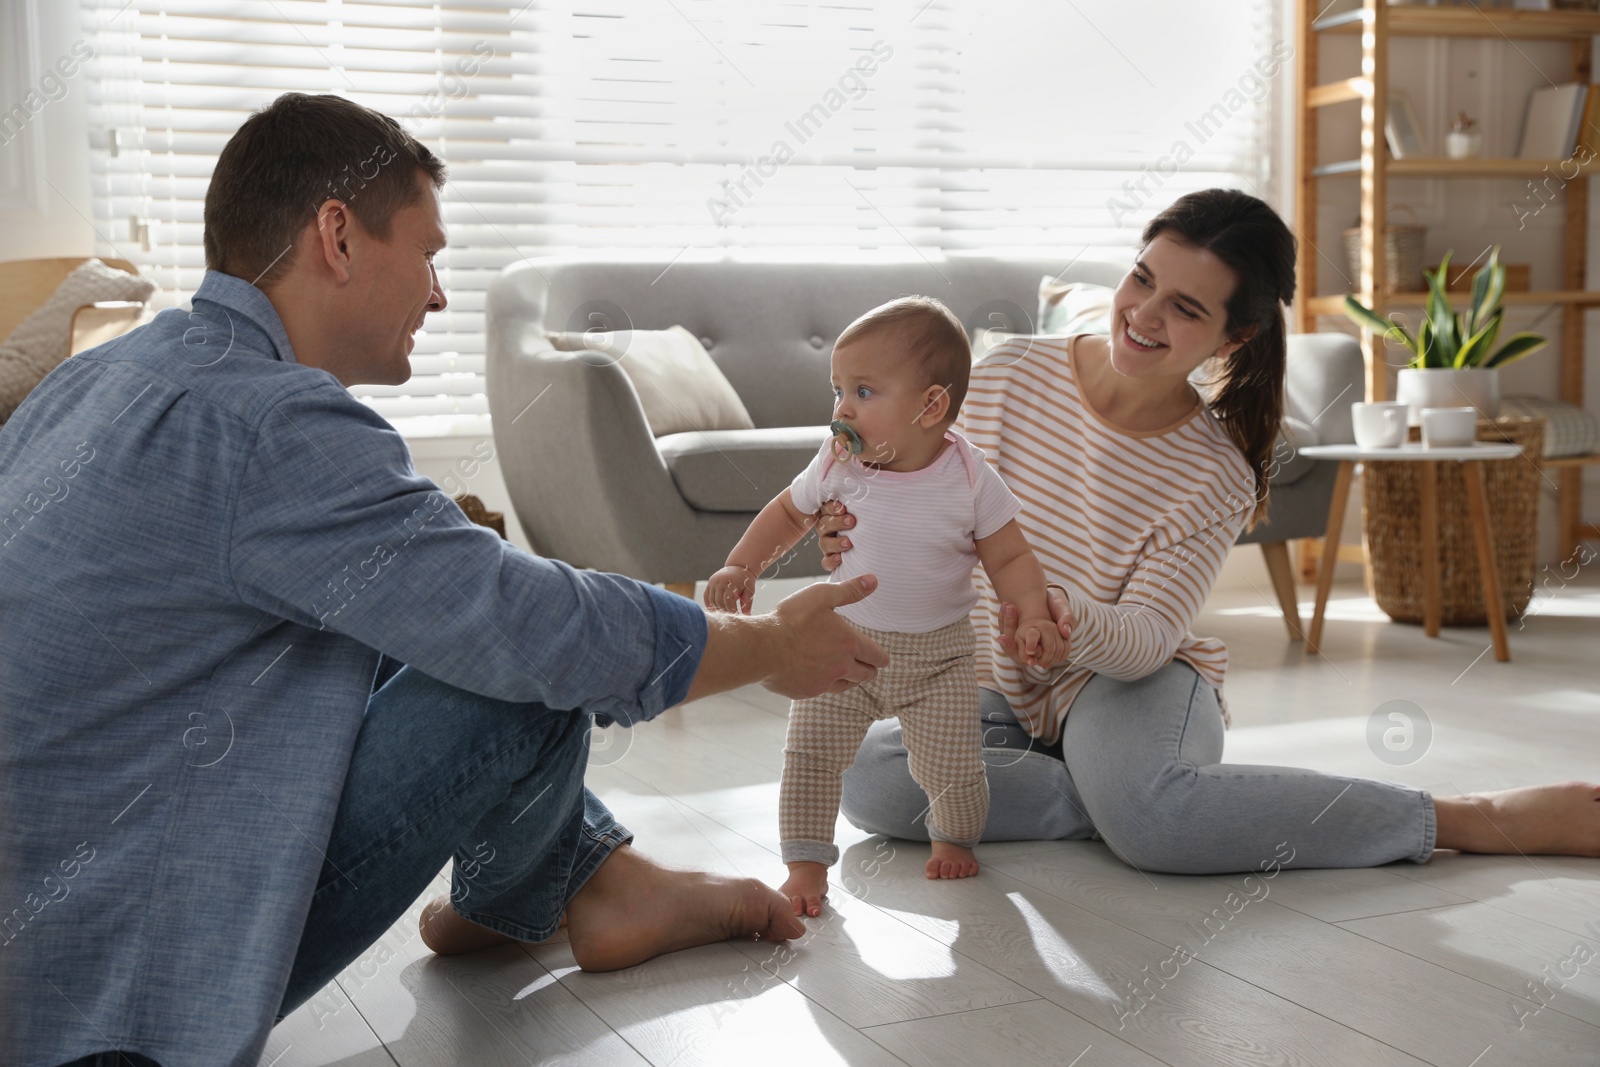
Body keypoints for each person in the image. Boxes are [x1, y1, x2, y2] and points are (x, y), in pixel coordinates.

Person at [0, 93, 889, 1067]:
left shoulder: (96, 382)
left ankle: (596, 879)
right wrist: (772, 643)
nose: (438, 294)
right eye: (427, 252)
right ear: (336, 235)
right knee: (523, 659)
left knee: (406, 605)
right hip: (115, 996)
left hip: (42, 929)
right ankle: (549, 894)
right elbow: (529, 627)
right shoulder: (270, 422)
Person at [823, 188, 1600, 873]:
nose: (1143, 314)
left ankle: (1467, 818)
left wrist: (1067, 620)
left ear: (1232, 340)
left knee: (1157, 820)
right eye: (1143, 279)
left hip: (1128, 679)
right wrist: (858, 534)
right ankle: (1126, 801)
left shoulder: (1217, 471)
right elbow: (920, 512)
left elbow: (1150, 638)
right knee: (871, 780)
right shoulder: (1004, 377)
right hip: (998, 683)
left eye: (1185, 308)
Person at [704, 297, 1064, 915]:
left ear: (931, 406)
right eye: (838, 389)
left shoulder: (970, 474)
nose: (842, 408)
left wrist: (1031, 612)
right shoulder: (838, 461)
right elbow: (790, 513)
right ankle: (806, 863)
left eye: (864, 391)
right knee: (811, 754)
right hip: (842, 647)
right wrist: (745, 562)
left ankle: (953, 836)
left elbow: (1008, 557)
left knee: (953, 763)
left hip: (942, 659)